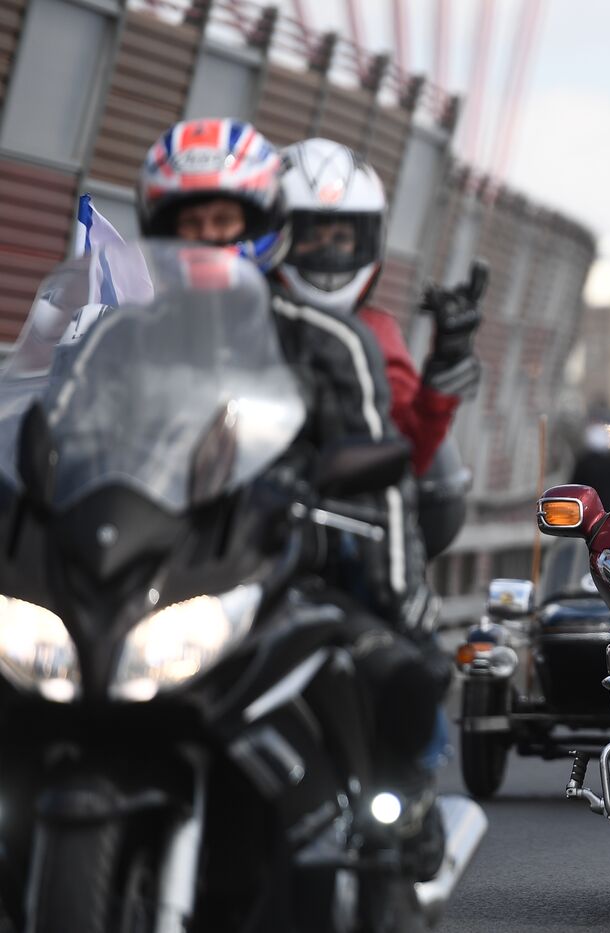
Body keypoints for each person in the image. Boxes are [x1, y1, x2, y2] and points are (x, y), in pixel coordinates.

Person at [137, 118, 446, 878]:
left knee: (400, 682)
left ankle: (384, 842)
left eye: (225, 221)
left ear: (261, 226)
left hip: (283, 576)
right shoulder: (124, 335)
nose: (207, 238)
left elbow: (387, 481)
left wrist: (403, 605)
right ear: (159, 229)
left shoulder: (326, 341)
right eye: (191, 223)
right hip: (151, 579)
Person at [278, 137, 486, 477]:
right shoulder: (243, 311)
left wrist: (441, 378)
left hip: (336, 508)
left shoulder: (375, 332)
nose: (327, 251)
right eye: (311, 234)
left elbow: (408, 452)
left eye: (342, 238)